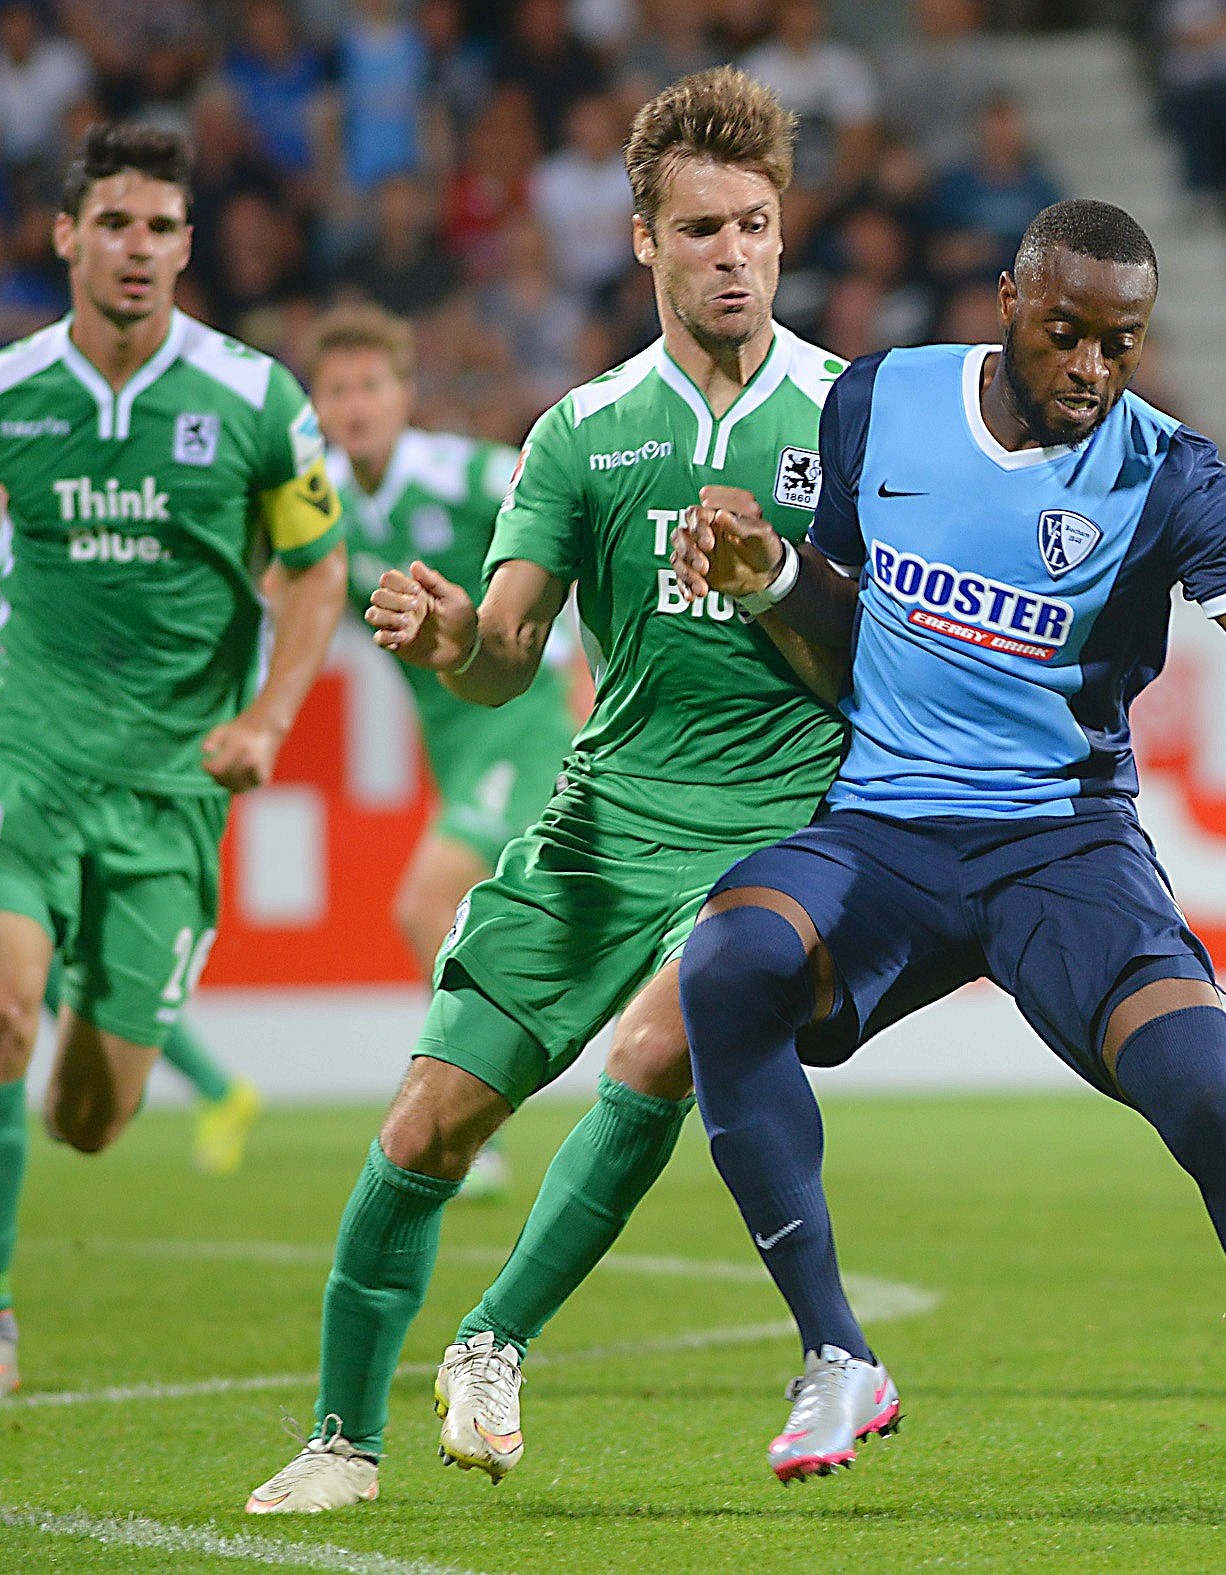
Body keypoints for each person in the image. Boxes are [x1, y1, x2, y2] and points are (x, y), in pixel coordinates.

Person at [668, 197, 1226, 1509]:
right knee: (727, 964)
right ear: (1007, 304)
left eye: (1120, 343)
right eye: (1066, 333)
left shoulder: (1166, 470)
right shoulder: (877, 404)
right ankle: (834, 1350)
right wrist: (766, 579)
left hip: (1063, 847)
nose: (1090, 367)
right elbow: (840, 653)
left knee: (1202, 1091)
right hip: (889, 827)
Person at [244, 67, 849, 1516]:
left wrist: (775, 580)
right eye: (701, 228)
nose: (734, 255)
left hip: (780, 826)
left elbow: (882, 657)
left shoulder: (856, 415)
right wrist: (454, 636)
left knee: (663, 1046)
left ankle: (493, 1335)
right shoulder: (582, 433)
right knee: (426, 1126)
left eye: (756, 225)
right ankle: (338, 1437)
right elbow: (507, 659)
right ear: (641, 238)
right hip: (603, 816)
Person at [0, 122, 348, 1403]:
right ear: (67, 236)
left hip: (175, 785)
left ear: (187, 248)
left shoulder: (255, 400)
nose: (138, 248)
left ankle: (88, 988)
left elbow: (319, 568)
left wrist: (268, 721)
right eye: (113, 222)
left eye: (162, 228)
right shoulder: (4, 392)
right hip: (28, 746)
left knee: (93, 1119)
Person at [0, 485, 266, 1174]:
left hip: (92, 776)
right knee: (41, 967)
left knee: (78, 961)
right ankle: (219, 1089)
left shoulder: (46, 547)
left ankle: (217, 1089)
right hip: (15, 777)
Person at [309, 302, 576, 1204]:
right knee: (519, 914)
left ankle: (470, 1123)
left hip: (525, 715)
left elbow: (567, 514)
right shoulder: (327, 516)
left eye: (370, 386)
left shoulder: (465, 474)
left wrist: (579, 667)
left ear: (404, 394)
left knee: (428, 901)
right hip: (454, 739)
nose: (355, 406)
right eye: (337, 390)